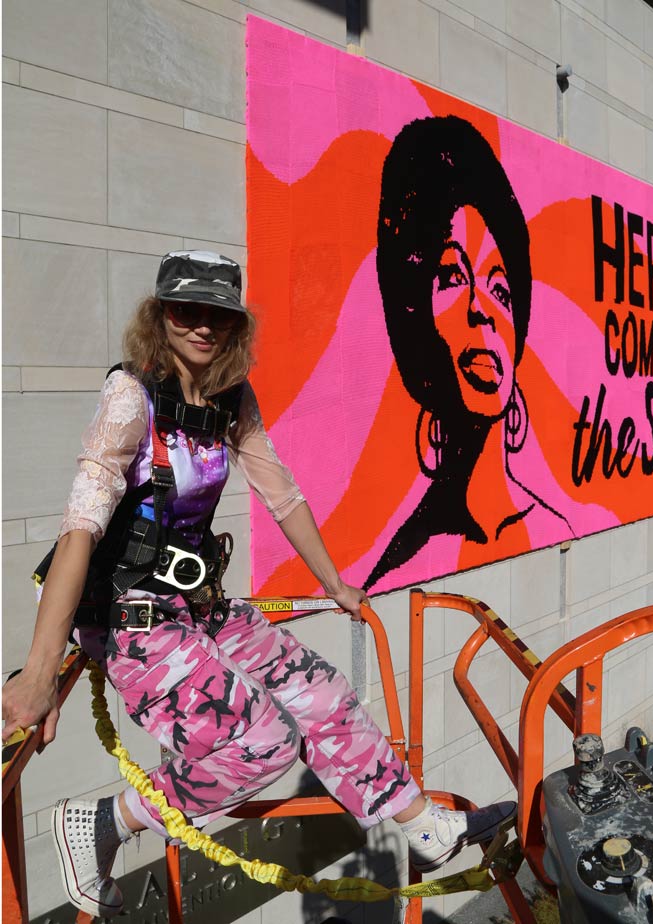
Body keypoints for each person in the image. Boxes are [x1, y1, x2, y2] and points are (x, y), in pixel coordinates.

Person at [1, 251, 515, 917]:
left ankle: (421, 825)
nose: (202, 325)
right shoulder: (131, 398)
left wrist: (335, 584)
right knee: (263, 742)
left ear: (236, 325)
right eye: (186, 310)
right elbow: (80, 530)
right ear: (159, 316)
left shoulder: (230, 399)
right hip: (130, 617)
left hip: (195, 605)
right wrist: (40, 672)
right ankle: (107, 822)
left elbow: (284, 496)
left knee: (322, 691)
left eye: (218, 314)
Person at [367, 116, 573, 590]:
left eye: (501, 289)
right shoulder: (401, 565)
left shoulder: (555, 527)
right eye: (452, 277)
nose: (481, 308)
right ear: (414, 312)